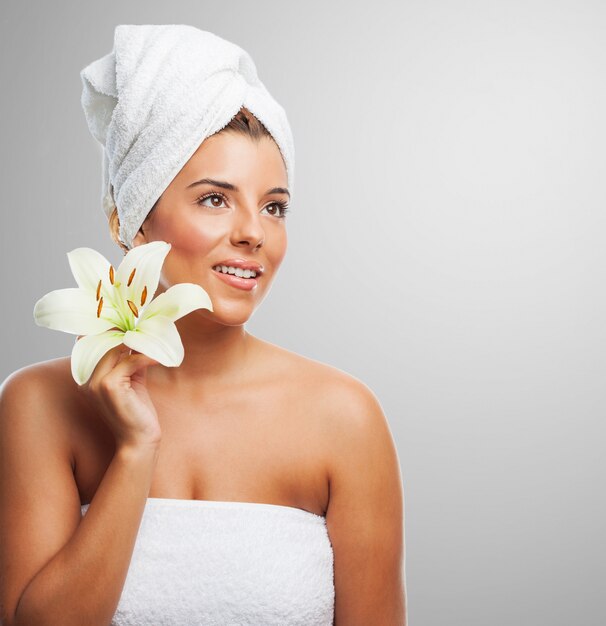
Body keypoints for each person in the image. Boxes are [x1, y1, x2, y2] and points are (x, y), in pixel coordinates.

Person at [0, 24, 407, 625]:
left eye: (274, 206)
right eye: (215, 199)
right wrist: (136, 451)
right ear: (129, 219)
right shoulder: (39, 405)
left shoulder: (344, 418)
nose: (254, 232)